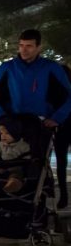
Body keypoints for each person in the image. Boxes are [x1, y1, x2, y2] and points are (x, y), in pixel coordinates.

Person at [0, 29, 71, 130]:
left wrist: (57, 118)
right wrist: (2, 117)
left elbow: (68, 95)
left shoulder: (52, 68)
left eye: (29, 46)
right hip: (15, 125)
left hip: (43, 125)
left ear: (39, 48)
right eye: (21, 45)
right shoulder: (6, 68)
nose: (23, 50)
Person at [53, 64, 71, 209]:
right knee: (61, 162)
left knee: (61, 162)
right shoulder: (55, 90)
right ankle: (63, 195)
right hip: (61, 128)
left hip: (62, 127)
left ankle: (64, 195)